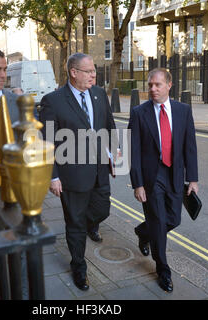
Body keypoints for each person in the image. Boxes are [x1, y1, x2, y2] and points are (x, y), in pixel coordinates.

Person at [39, 53, 117, 291]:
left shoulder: (99, 94)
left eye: (94, 71)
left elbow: (109, 126)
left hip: (99, 171)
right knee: (74, 223)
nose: (94, 75)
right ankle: (79, 267)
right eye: (89, 71)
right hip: (71, 175)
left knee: (102, 209)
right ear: (74, 72)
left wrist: (115, 156)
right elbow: (47, 142)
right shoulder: (53, 100)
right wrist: (53, 176)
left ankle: (83, 226)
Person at [128, 68, 198, 293]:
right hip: (152, 177)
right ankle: (163, 269)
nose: (152, 89)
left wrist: (193, 179)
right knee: (158, 222)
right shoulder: (139, 112)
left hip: (175, 174)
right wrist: (138, 183)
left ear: (169, 85)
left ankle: (143, 232)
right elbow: (134, 151)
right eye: (150, 85)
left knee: (173, 220)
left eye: (157, 85)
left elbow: (190, 146)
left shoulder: (183, 110)